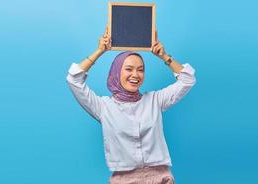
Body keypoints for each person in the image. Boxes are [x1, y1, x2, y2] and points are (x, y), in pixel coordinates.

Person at [66, 28, 196, 184]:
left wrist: (164, 56)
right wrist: (100, 51)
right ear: (116, 72)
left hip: (161, 179)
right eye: (128, 69)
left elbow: (187, 80)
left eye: (140, 70)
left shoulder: (155, 100)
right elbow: (74, 80)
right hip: (124, 180)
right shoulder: (103, 107)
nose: (135, 75)